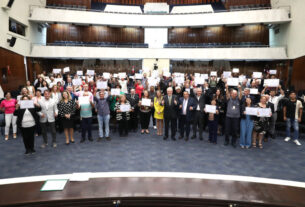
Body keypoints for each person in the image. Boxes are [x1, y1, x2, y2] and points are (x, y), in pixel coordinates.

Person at [224, 84, 242, 148]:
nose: (235, 94)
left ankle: (233, 142)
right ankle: (226, 140)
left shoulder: (238, 99)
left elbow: (240, 95)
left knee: (235, 130)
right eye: (233, 93)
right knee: (227, 130)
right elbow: (227, 94)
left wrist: (240, 89)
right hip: (228, 116)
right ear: (231, 94)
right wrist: (226, 87)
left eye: (236, 94)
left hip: (236, 117)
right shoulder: (229, 98)